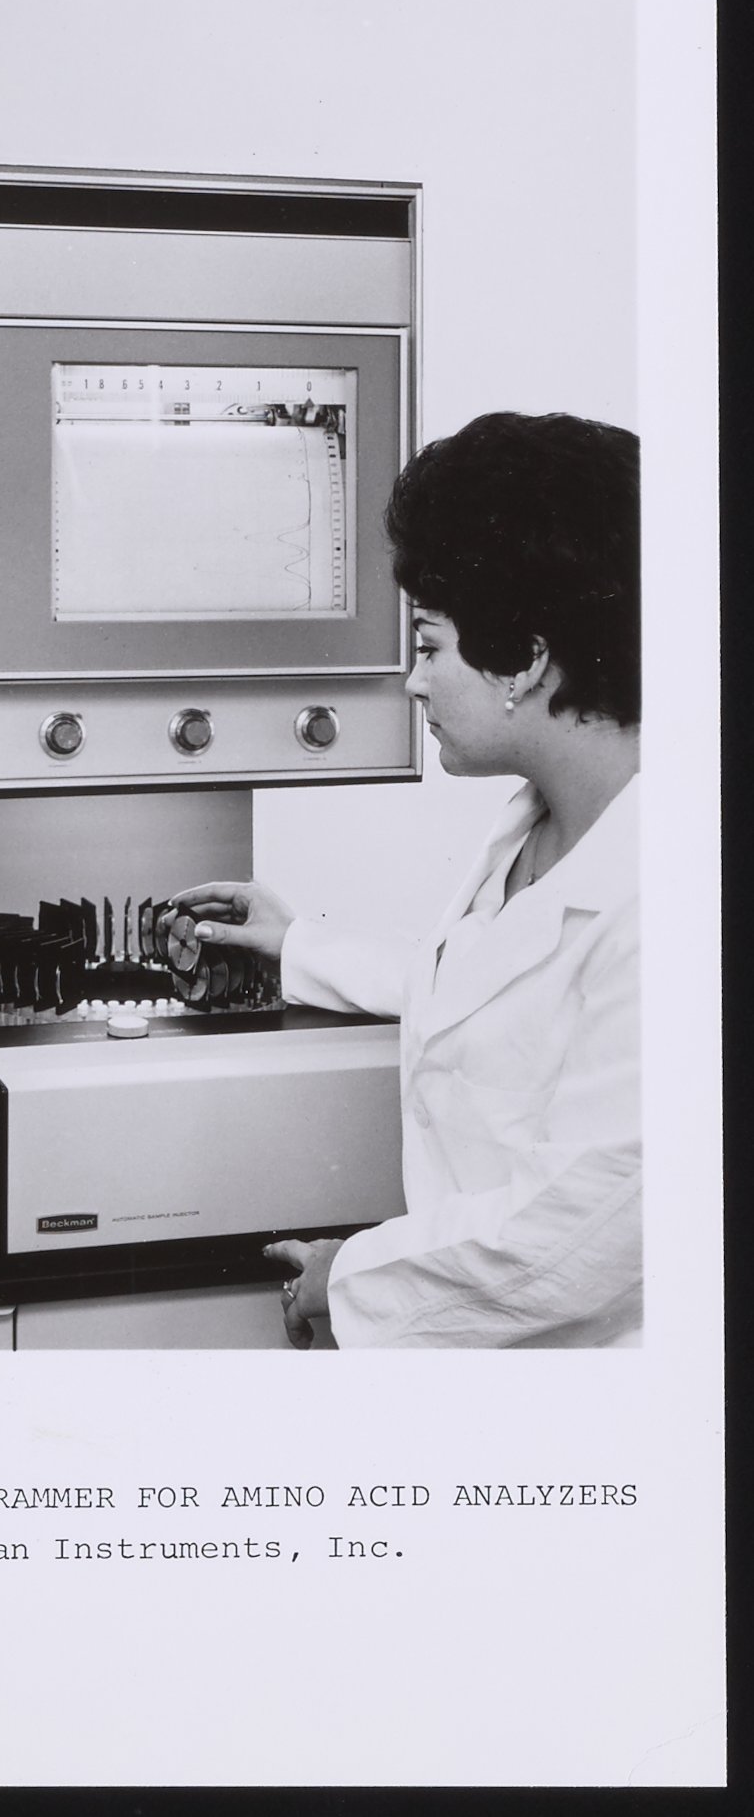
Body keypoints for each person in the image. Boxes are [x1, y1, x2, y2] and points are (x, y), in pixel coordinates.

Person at [165, 411, 641, 1349]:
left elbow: (576, 1239)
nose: (414, 684)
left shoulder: (667, 900)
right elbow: (482, 982)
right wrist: (297, 944)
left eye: (429, 646)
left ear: (527, 658)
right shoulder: (541, 823)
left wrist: (346, 1278)